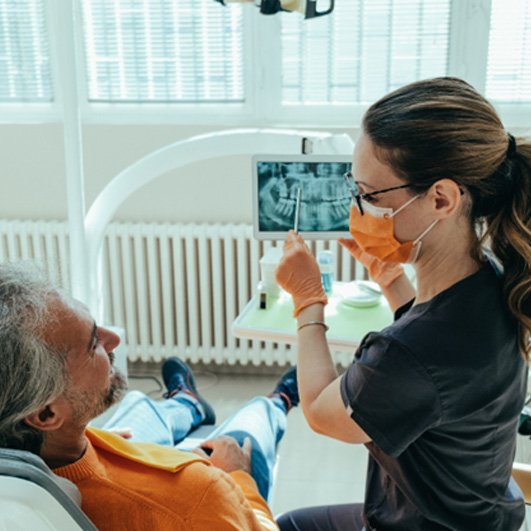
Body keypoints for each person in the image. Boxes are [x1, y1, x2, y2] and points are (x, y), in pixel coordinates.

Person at [274, 77, 531, 530]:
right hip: (480, 512)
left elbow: (321, 412)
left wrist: (308, 301)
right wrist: (392, 280)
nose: (359, 210)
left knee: (289, 525)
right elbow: (435, 355)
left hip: (427, 524)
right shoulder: (494, 280)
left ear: (441, 198)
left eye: (371, 196)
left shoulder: (406, 355)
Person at [0, 261, 299, 530]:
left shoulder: (33, 464)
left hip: (94, 454)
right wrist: (239, 478)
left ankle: (187, 402)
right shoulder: (197, 497)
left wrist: (89, 439)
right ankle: (277, 402)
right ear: (46, 415)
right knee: (248, 429)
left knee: (138, 405)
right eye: (93, 344)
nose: (114, 338)